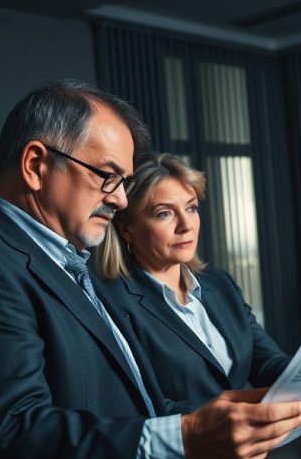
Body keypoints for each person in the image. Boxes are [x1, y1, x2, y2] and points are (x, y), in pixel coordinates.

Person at [0, 80, 301, 459]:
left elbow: (128, 405)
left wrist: (220, 416)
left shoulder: (71, 267)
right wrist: (184, 440)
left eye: (123, 182)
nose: (118, 199)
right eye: (107, 176)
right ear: (36, 165)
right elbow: (12, 436)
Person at [92, 153, 290, 408]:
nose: (186, 225)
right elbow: (140, 406)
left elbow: (268, 363)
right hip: (190, 445)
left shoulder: (220, 284)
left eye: (191, 208)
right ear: (126, 229)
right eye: (164, 213)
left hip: (257, 440)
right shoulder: (112, 304)